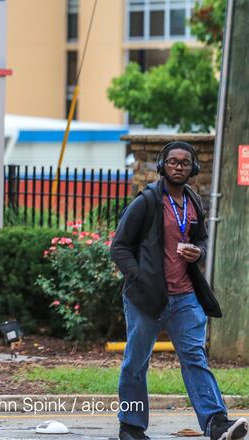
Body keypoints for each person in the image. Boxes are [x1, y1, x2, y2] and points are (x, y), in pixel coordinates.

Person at [111, 141, 248, 440]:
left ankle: (216, 423)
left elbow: (203, 241)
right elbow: (119, 248)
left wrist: (198, 252)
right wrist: (140, 278)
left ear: (193, 169)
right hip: (146, 299)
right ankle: (131, 427)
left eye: (185, 163)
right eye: (173, 161)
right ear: (163, 165)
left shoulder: (193, 201)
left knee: (195, 357)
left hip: (185, 296)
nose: (178, 166)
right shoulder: (147, 201)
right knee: (136, 361)